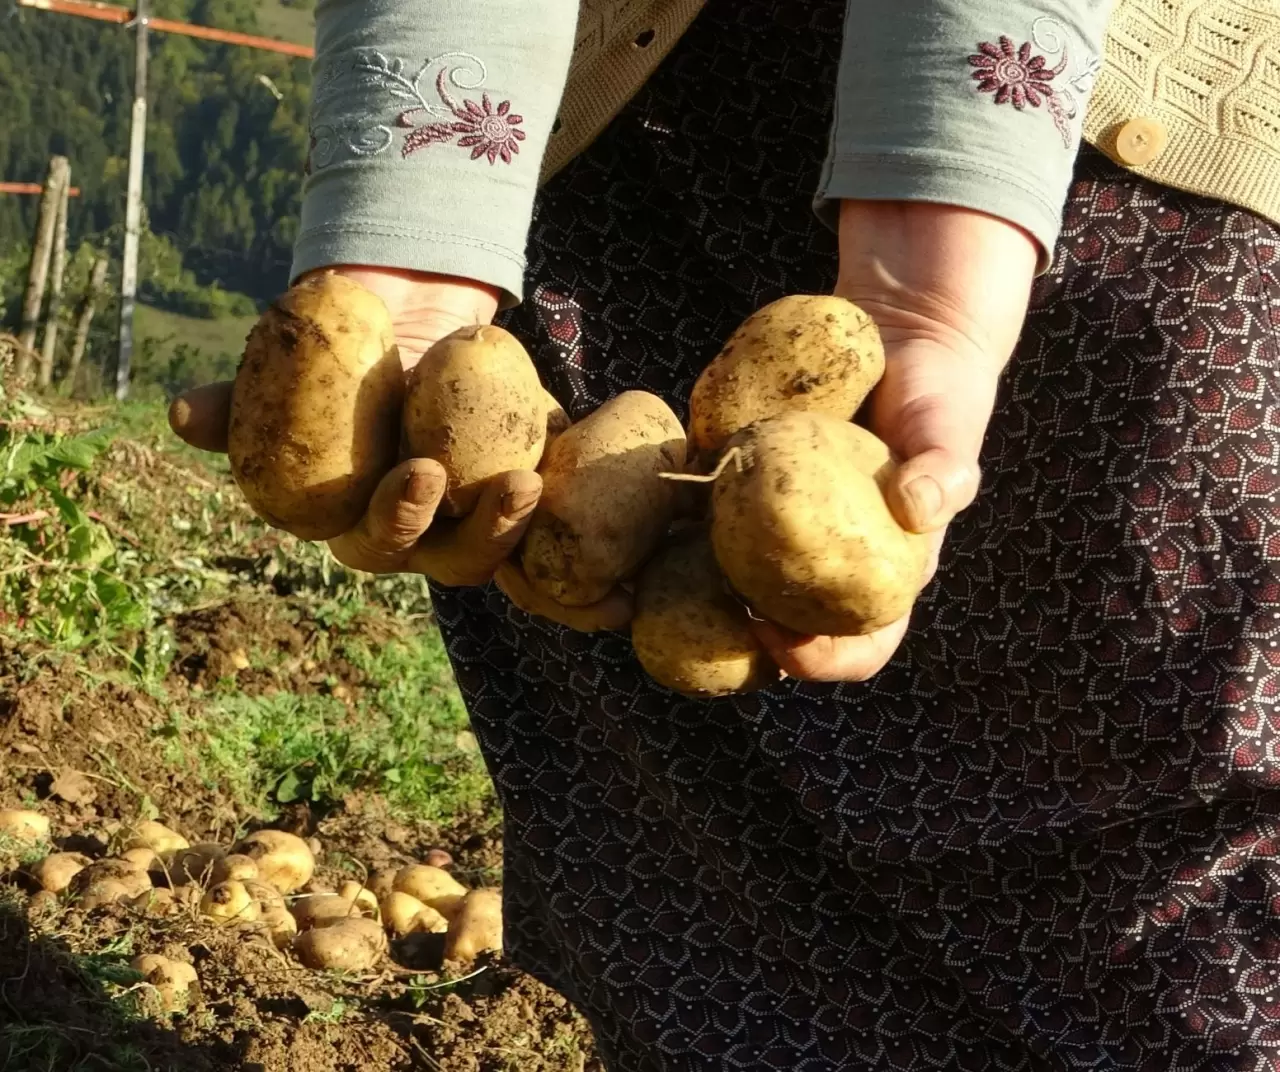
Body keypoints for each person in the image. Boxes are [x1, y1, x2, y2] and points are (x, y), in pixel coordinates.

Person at [170, 0, 1280, 1067]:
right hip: (607, 167)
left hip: (1073, 158)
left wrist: (944, 231)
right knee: (697, 876)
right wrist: (418, 206)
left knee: (1162, 869)